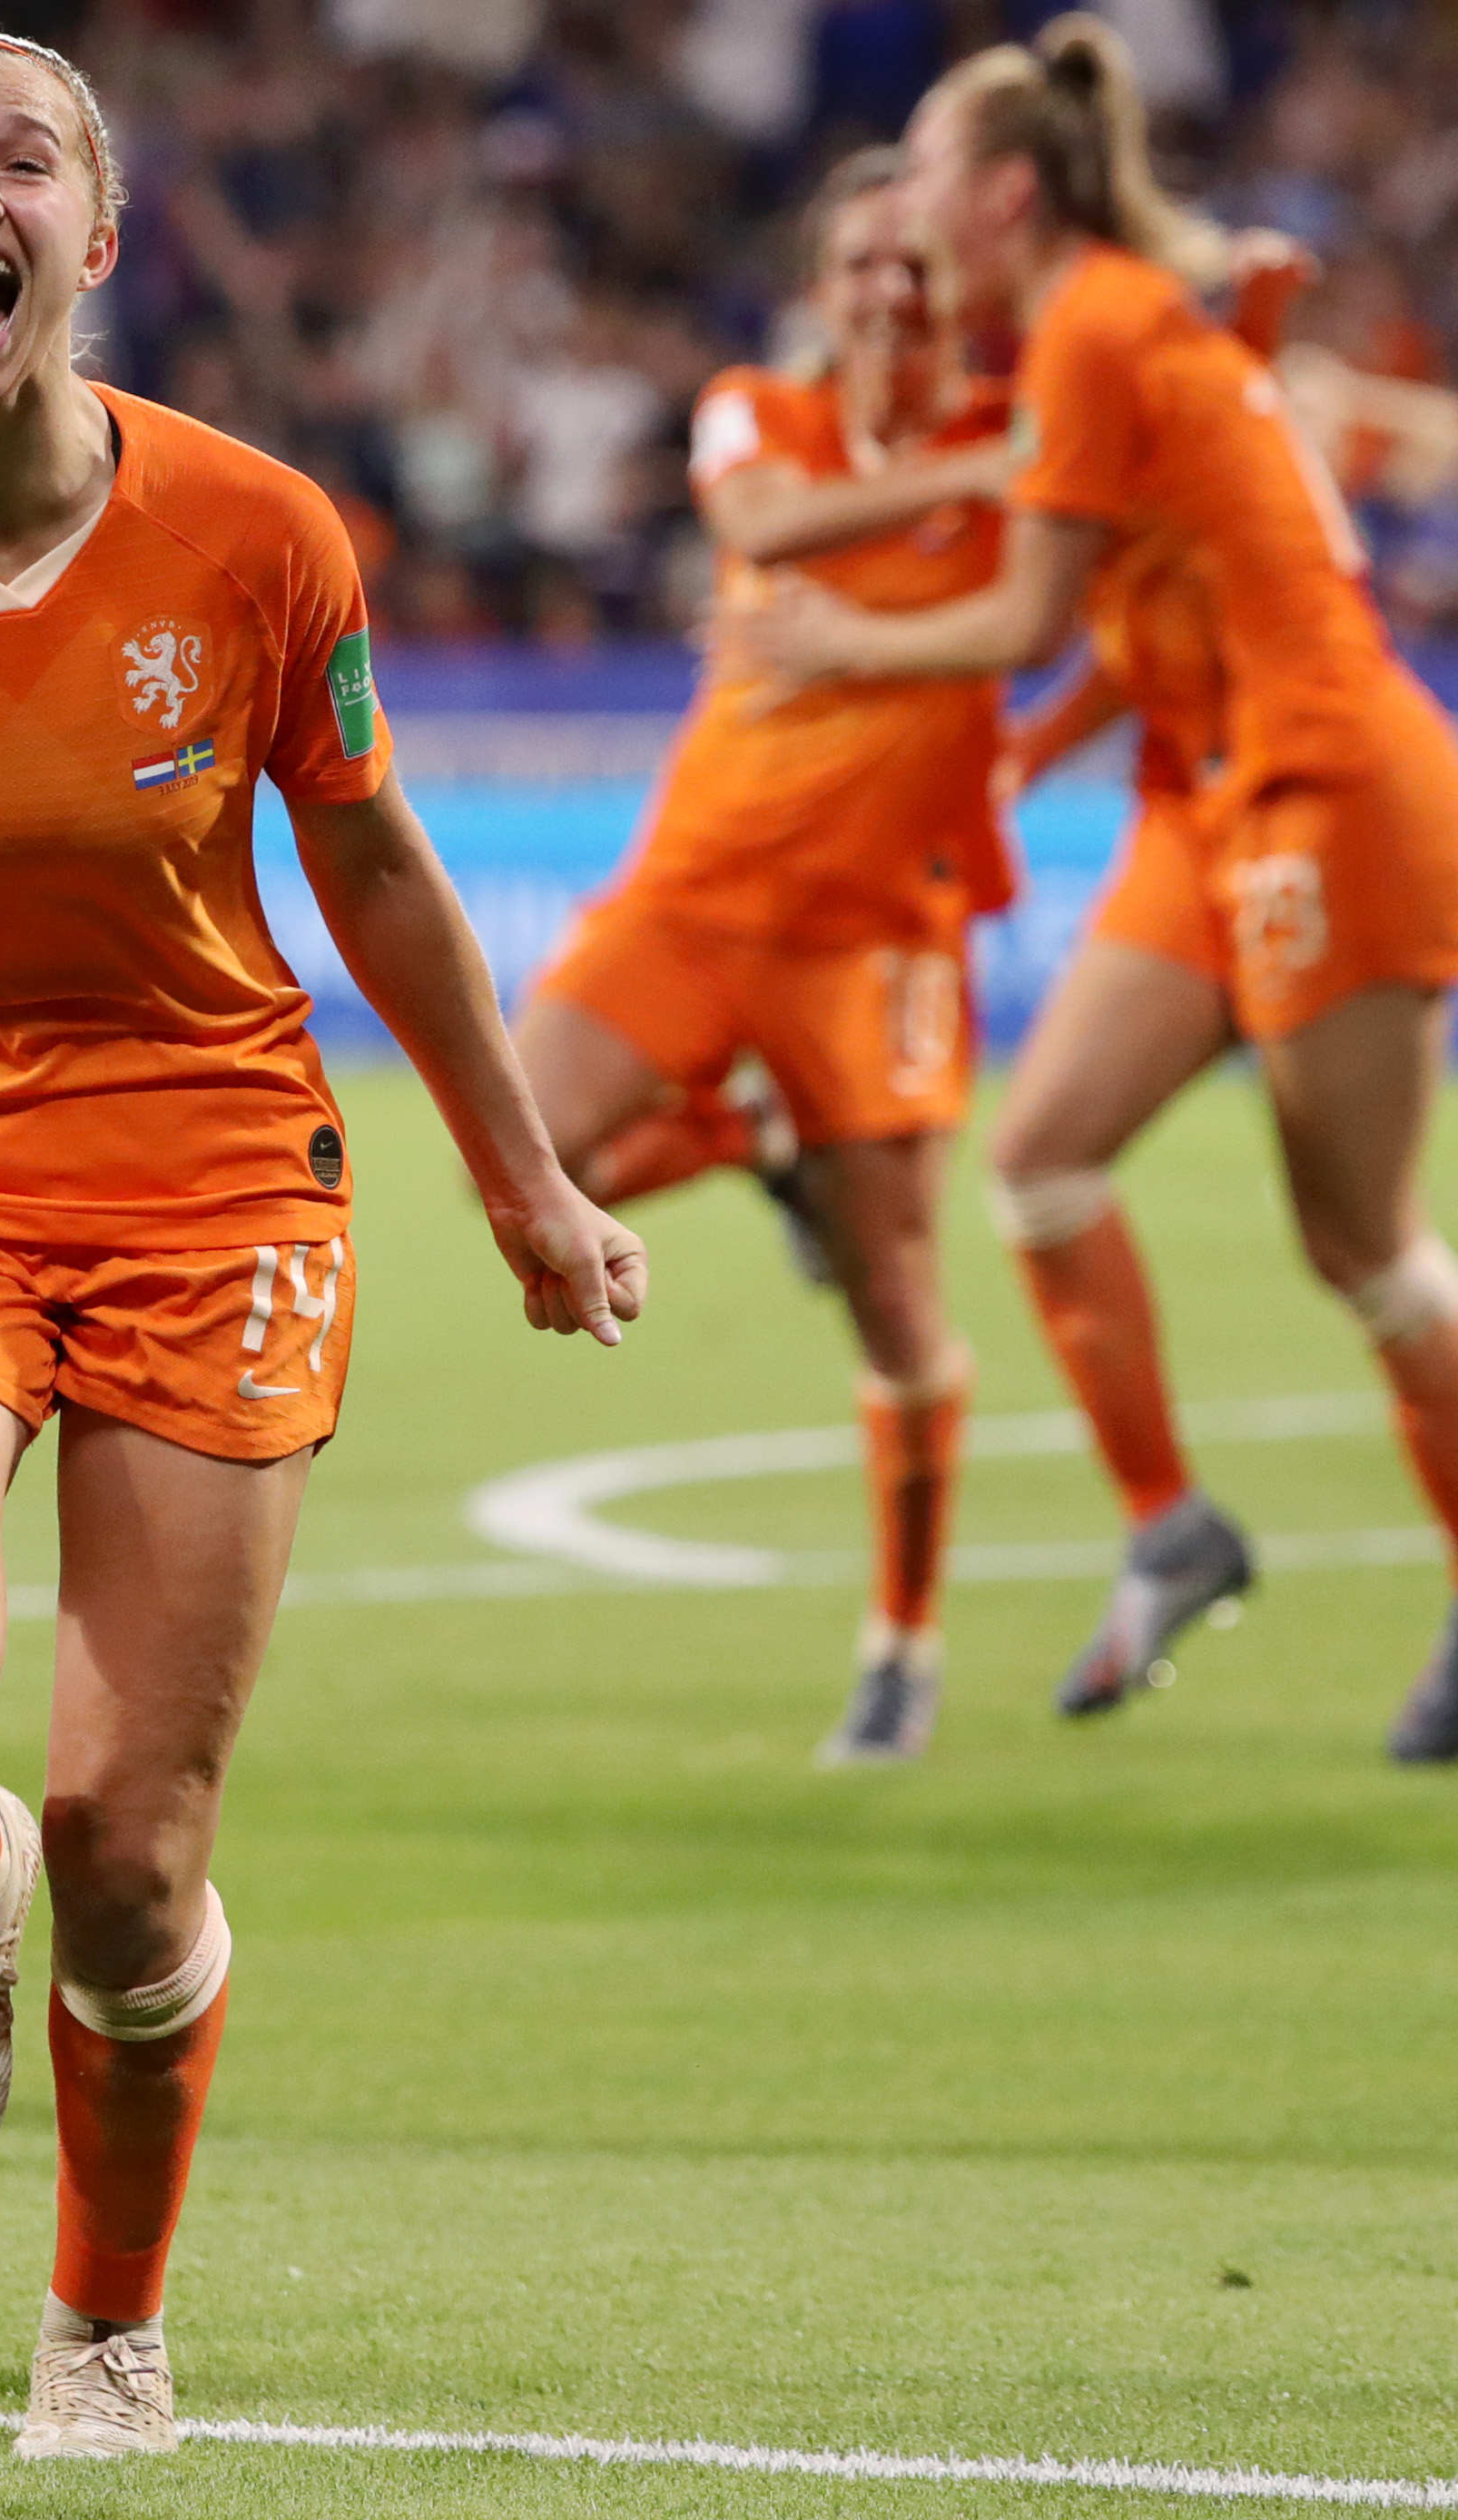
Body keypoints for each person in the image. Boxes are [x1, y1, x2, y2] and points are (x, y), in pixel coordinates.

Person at [0, 31, 646, 2458]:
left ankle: (102, 2322)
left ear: (94, 242)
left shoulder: (262, 539)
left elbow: (379, 863)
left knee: (141, 1852)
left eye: (24, 158)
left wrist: (522, 1174)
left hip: (210, 1175)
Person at [734, 17, 1458, 1767]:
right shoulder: (1094, 331)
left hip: (1336, 792)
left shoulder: (1102, 327)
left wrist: (847, 642)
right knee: (1039, 1161)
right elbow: (1152, 595)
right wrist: (1035, 757)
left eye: (931, 166)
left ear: (1009, 187)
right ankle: (1174, 1525)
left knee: (1356, 1238)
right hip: (1210, 803)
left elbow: (1035, 614)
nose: (908, 201)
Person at [514, 146, 1012, 1766]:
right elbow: (760, 523)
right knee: (517, 1148)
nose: (888, 291)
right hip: (698, 890)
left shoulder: (1021, 453)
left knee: (897, 1309)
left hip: (873, 933)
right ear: (823, 285)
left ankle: (904, 1643)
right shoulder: (759, 415)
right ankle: (752, 1134)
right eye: (862, 262)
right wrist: (993, 468)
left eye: (916, 265)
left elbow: (1087, 615)